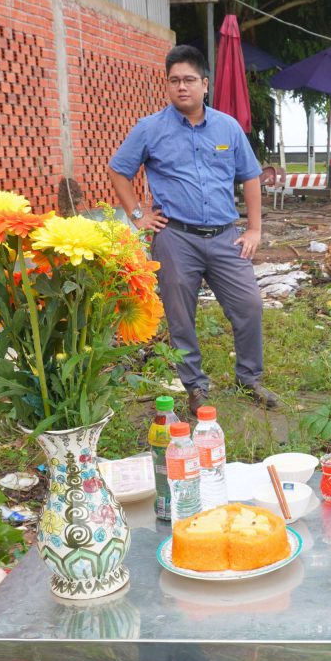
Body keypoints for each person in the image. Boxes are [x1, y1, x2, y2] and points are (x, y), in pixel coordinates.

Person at [108, 44, 278, 415]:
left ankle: (249, 378)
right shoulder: (150, 129)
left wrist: (254, 230)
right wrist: (138, 215)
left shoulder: (227, 127)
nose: (181, 87)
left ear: (205, 84)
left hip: (224, 236)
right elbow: (119, 170)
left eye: (188, 80)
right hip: (175, 238)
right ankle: (195, 386)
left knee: (249, 305)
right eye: (174, 81)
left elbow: (250, 177)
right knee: (180, 315)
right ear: (166, 86)